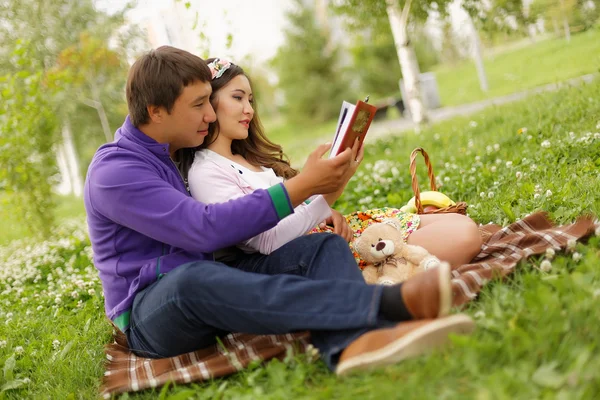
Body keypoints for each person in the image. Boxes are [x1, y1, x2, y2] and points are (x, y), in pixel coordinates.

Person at [83, 45, 475, 378]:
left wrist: (321, 190)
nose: (209, 115)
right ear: (155, 111)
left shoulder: (168, 151)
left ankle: (354, 345)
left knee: (320, 249)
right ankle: (387, 305)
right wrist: (304, 184)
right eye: (200, 105)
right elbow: (201, 229)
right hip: (152, 314)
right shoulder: (115, 172)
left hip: (214, 280)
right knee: (192, 280)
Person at [185, 58, 482, 269]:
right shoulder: (206, 172)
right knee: (464, 234)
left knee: (457, 223)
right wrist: (329, 192)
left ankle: (398, 270)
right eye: (238, 98)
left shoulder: (250, 158)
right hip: (320, 256)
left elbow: (298, 210)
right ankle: (384, 280)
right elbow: (268, 242)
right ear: (208, 103)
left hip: (335, 233)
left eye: (250, 99)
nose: (248, 109)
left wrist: (328, 206)